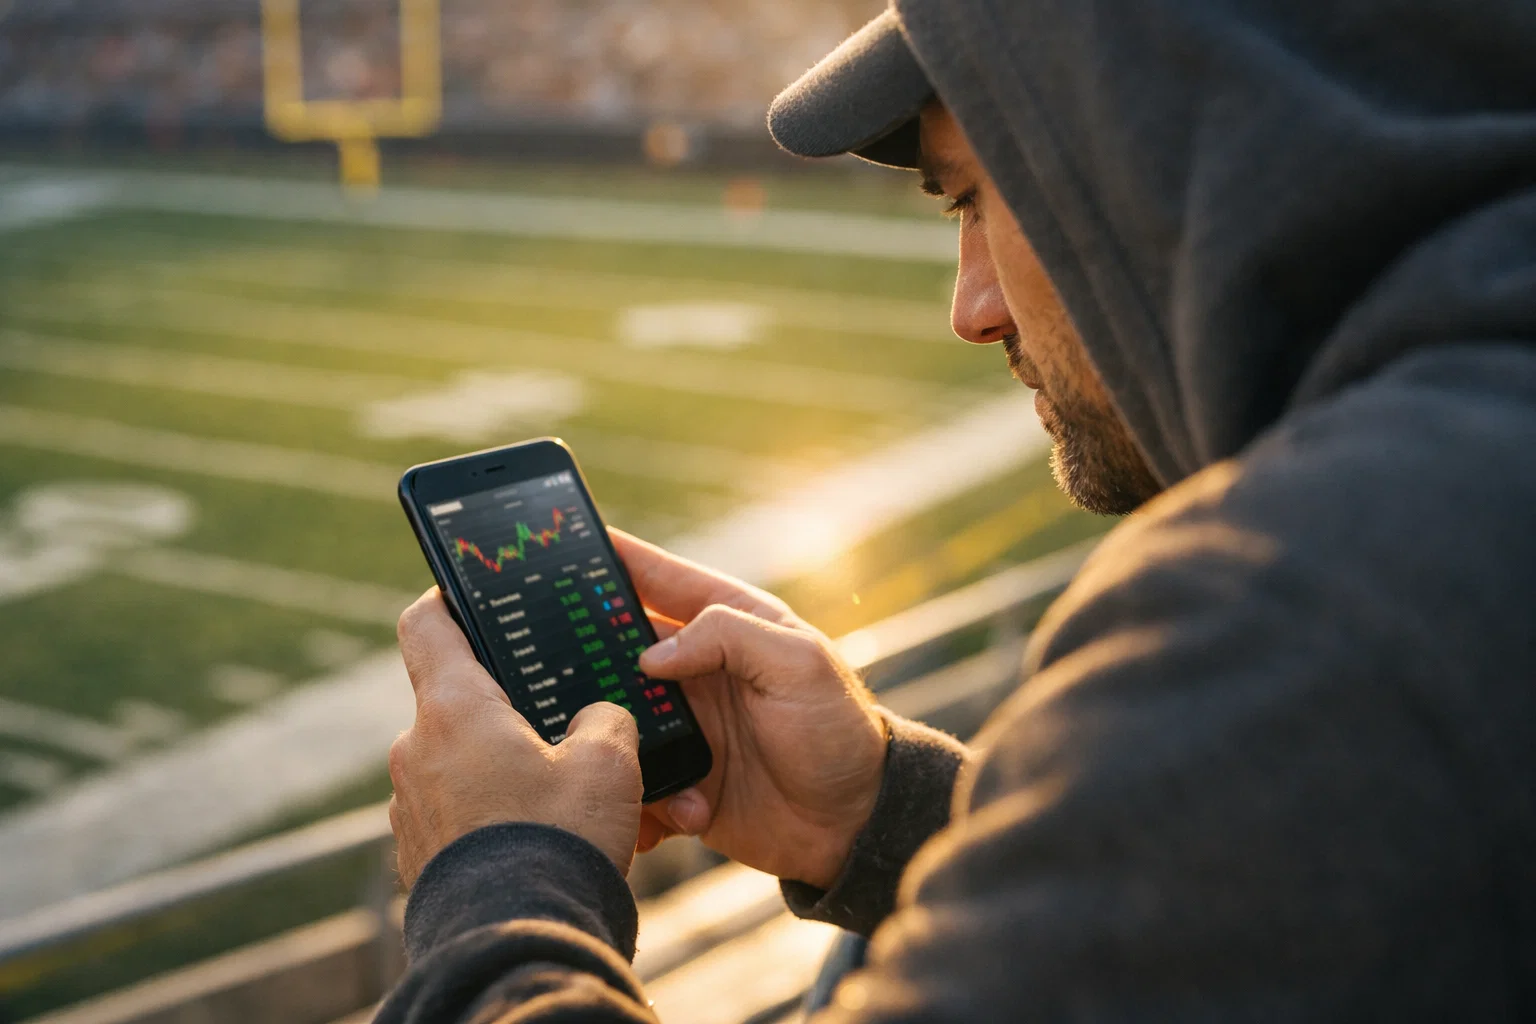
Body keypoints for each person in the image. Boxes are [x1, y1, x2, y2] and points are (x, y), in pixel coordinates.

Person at [378, 0, 1536, 1019]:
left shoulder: (1309, 622)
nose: (972, 309)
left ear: (1172, 149)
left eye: (977, 197)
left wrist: (498, 888)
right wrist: (882, 810)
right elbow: (1260, 908)